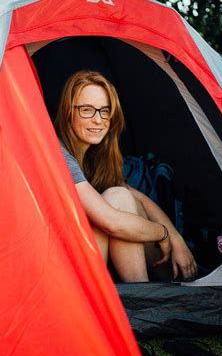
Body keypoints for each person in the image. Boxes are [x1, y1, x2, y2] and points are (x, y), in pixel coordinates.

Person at [55, 69, 197, 283]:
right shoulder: (59, 153)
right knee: (117, 202)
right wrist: (163, 233)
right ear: (68, 112)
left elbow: (137, 196)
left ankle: (146, 293)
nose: (98, 120)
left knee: (121, 195)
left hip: (85, 257)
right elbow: (111, 222)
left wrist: (177, 239)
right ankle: (142, 297)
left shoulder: (94, 156)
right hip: (61, 266)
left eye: (105, 111)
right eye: (86, 110)